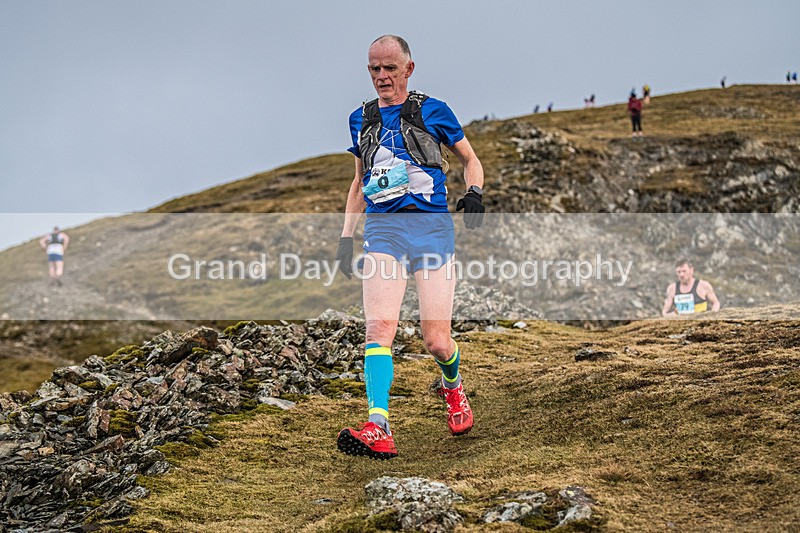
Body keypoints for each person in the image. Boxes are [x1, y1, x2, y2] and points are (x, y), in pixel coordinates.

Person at [335, 35, 485, 460]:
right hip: (384, 233)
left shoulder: (432, 110)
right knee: (379, 328)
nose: (381, 77)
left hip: (432, 232)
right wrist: (346, 238)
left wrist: (474, 192)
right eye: (373, 69)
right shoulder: (360, 119)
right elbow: (359, 182)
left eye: (389, 68)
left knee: (436, 341)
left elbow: (471, 160)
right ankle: (377, 425)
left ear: (408, 69)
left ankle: (453, 388)